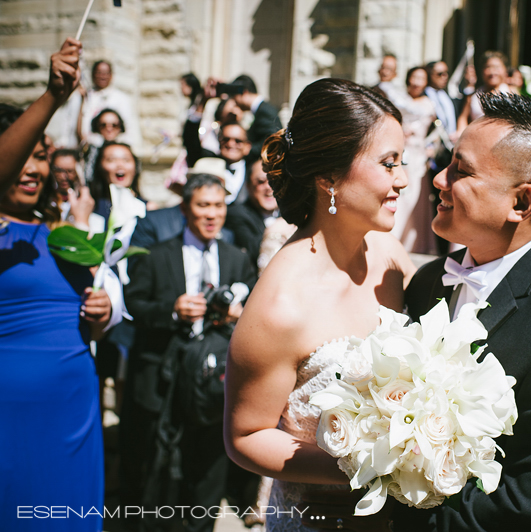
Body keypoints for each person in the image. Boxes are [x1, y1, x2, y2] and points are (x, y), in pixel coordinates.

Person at [388, 92, 531, 531]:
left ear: (522, 203)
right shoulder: (427, 283)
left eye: (461, 171)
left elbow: (529, 507)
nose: (439, 179)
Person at [223, 78, 416, 532]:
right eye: (388, 163)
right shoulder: (281, 304)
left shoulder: (390, 258)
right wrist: (366, 466)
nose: (403, 179)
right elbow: (246, 437)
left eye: (402, 162)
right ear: (328, 177)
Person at [0, 38, 121, 532]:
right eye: (25, 153)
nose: (33, 168)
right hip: (12, 411)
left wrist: (103, 311)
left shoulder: (63, 231)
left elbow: (106, 304)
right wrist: (53, 96)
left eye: (43, 155)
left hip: (73, 407)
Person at [121, 172, 257, 532]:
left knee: (210, 467)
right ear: (185, 209)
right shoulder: (157, 255)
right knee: (160, 468)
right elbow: (134, 304)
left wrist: (238, 315)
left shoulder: (236, 259)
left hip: (214, 384)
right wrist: (172, 309)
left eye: (218, 205)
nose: (212, 214)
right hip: (165, 380)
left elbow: (256, 313)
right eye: (203, 206)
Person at [391, 66, 438, 254]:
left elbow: (435, 131)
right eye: (414, 77)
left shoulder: (429, 104)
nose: (417, 82)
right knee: (400, 194)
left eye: (421, 78)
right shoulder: (399, 100)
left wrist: (430, 147)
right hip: (401, 153)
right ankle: (394, 236)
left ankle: (413, 242)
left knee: (416, 197)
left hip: (418, 157)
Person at [225, 157, 293, 270]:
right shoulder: (237, 214)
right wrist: (277, 229)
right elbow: (255, 251)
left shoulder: (290, 213)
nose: (269, 187)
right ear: (248, 186)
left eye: (274, 181)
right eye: (261, 182)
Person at [79, 60, 141, 151]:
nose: (102, 76)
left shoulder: (122, 98)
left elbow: (129, 127)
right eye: (99, 72)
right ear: (92, 74)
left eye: (105, 73)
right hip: (89, 147)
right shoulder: (86, 96)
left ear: (111, 75)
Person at [230, 74, 281, 163]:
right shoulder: (261, 110)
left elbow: (273, 141)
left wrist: (247, 149)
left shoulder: (264, 111)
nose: (235, 103)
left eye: (234, 98)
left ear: (244, 93)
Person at [456, 51, 510, 134]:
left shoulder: (511, 93)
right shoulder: (474, 95)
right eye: (488, 67)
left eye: (496, 67)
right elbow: (463, 118)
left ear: (505, 70)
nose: (492, 72)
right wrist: (460, 134)